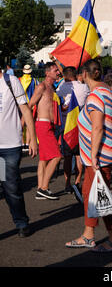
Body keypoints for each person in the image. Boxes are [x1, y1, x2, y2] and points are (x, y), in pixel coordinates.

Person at [65, 59, 112, 252]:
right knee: (92, 195)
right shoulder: (109, 91)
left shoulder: (95, 96)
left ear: (85, 74)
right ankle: (89, 235)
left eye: (81, 74)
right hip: (104, 152)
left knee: (100, 197)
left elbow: (97, 127)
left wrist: (93, 154)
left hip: (98, 156)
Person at [0, 64, 38, 237]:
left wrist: (32, 138)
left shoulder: (11, 81)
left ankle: (21, 222)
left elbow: (25, 110)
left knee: (11, 187)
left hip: (9, 146)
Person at [28, 62, 62, 200]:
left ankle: (40, 189)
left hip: (49, 126)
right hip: (43, 125)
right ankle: (44, 188)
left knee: (43, 159)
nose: (58, 72)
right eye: (55, 70)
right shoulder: (41, 86)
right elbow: (29, 106)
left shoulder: (51, 88)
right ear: (47, 73)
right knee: (57, 156)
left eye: (58, 70)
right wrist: (27, 132)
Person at [56, 66, 89, 197]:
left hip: (67, 128)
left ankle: (67, 183)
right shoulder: (84, 87)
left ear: (64, 76)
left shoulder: (61, 88)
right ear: (75, 75)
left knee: (68, 158)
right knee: (79, 156)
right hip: (80, 126)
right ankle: (77, 181)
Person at [19, 64, 39, 154]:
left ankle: (21, 143)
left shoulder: (19, 80)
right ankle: (27, 143)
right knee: (29, 125)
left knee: (20, 125)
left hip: (20, 105)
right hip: (31, 105)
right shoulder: (34, 80)